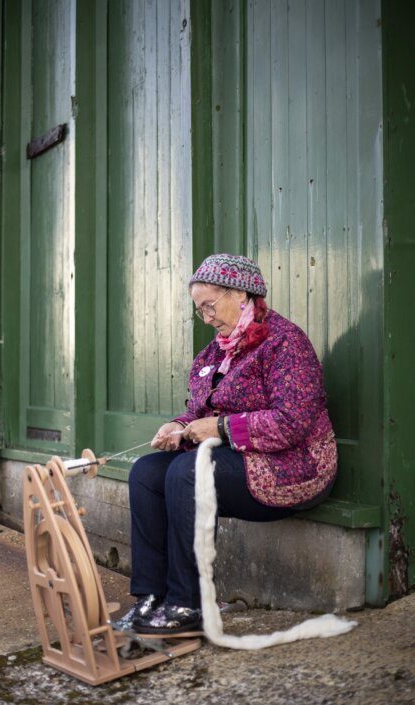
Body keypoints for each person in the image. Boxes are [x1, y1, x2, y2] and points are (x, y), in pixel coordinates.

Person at [114, 253, 337, 636]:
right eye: (199, 310)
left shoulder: (285, 343)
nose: (206, 318)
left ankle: (188, 602)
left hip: (292, 466)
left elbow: (292, 423)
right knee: (147, 472)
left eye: (209, 306)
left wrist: (218, 427)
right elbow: (200, 412)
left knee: (188, 472)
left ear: (240, 293)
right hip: (237, 461)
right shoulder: (215, 353)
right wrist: (178, 426)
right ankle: (151, 596)